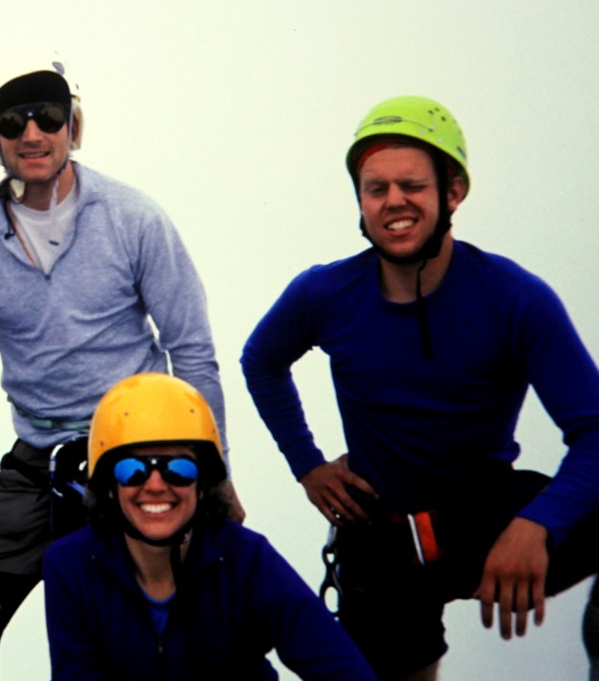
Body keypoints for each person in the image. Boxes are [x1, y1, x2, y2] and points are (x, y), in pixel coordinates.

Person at [241, 95, 599, 680]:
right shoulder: (324, 294)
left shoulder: (514, 298)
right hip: (384, 536)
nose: (393, 201)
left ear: (452, 192)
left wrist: (538, 525)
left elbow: (595, 431)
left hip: (488, 516)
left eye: (412, 185)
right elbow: (262, 361)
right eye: (375, 189)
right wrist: (308, 466)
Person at [0, 44, 239, 678]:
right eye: (11, 121)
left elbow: (192, 348)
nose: (32, 134)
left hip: (138, 453)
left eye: (47, 115)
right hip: (37, 464)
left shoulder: (133, 217)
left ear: (72, 122)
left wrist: (215, 469)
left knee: (169, 634)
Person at [43, 373, 374, 679]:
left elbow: (342, 668)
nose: (155, 485)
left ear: (203, 484)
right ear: (108, 485)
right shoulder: (71, 566)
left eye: (179, 469)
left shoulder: (246, 558)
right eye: (133, 470)